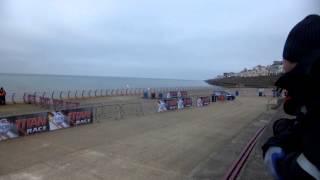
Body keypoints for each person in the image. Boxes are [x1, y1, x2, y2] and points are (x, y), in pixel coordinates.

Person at [262, 15, 320, 180]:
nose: (291, 92)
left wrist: (278, 163)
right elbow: (307, 127)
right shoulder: (312, 101)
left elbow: (305, 172)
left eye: (294, 78)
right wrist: (285, 130)